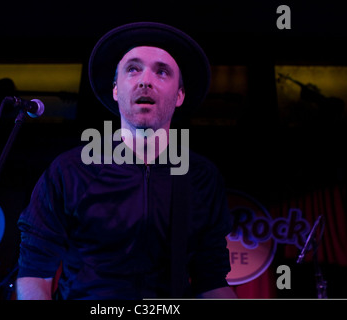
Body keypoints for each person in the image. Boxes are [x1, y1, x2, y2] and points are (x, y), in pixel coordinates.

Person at [16, 22, 237, 299]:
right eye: (133, 69)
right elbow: (34, 273)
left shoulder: (201, 177)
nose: (146, 80)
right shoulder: (70, 170)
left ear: (179, 95)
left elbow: (211, 280)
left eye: (162, 72)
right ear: (116, 90)